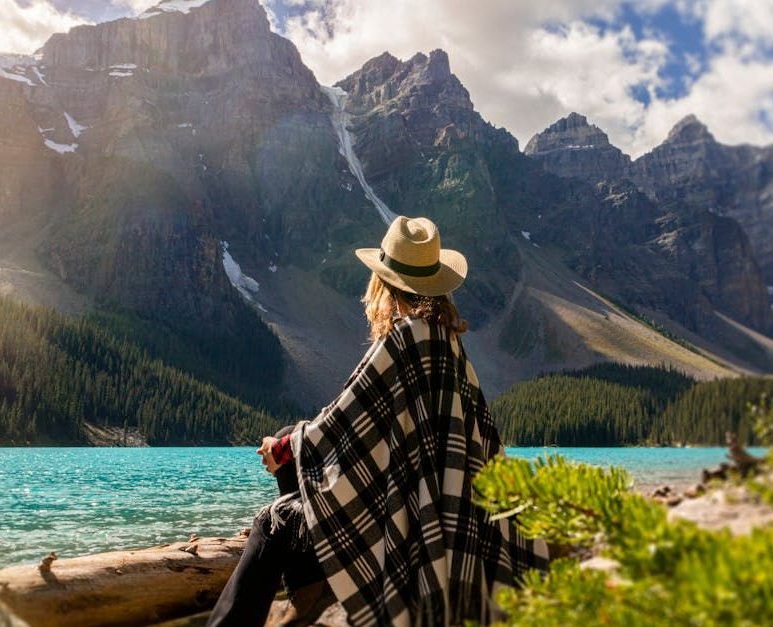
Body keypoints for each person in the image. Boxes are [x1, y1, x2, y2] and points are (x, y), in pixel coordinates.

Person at [207, 216, 549, 627]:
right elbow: (360, 425)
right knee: (290, 437)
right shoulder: (447, 342)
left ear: (384, 284)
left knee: (270, 525)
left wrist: (282, 450)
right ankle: (311, 578)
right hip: (443, 516)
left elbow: (343, 419)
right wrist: (291, 442)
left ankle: (310, 576)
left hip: (405, 529)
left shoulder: (403, 338)